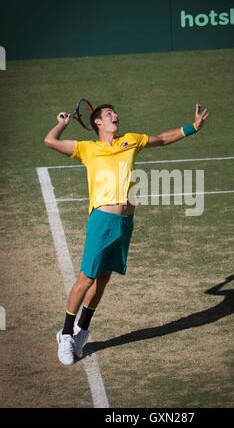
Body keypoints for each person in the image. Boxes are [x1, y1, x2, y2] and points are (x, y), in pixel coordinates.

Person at [44, 103, 209, 365]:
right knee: (87, 278)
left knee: (104, 278)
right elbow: (50, 141)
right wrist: (62, 124)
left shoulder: (130, 140)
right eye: (109, 114)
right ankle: (65, 333)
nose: (115, 116)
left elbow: (163, 139)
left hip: (125, 221)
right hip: (101, 220)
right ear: (97, 122)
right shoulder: (87, 149)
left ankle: (82, 331)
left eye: (115, 113)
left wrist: (193, 127)